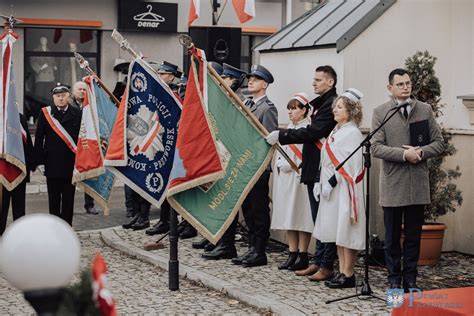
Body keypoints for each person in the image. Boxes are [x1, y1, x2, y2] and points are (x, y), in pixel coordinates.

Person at [371, 68, 444, 292]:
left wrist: (420, 152)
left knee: (413, 235)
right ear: (390, 88)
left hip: (417, 184)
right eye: (400, 84)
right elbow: (376, 147)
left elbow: (439, 143)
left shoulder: (425, 110)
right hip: (393, 183)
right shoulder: (381, 112)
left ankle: (410, 278)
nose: (405, 87)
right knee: (392, 237)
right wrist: (404, 154)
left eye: (408, 83)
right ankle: (393, 278)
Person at [266, 65, 338, 281]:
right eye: (314, 79)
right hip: (313, 167)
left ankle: (326, 264)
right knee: (318, 219)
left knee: (323, 219)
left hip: (321, 168)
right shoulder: (321, 104)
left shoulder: (330, 104)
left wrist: (283, 135)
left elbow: (315, 132)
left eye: (318, 80)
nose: (314, 83)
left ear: (330, 82)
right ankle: (318, 260)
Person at [313, 89, 366, 289]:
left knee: (347, 230)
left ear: (351, 111)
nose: (335, 110)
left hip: (345, 188)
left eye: (340, 107)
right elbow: (327, 159)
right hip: (332, 189)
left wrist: (331, 182)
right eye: (335, 106)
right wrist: (320, 181)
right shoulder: (337, 130)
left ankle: (348, 273)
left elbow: (349, 165)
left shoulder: (352, 133)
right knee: (338, 231)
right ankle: (342, 271)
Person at [231, 64, 278, 268]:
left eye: (256, 79)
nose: (250, 81)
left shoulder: (267, 108)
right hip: (244, 165)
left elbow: (267, 140)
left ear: (265, 84)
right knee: (247, 209)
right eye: (250, 78)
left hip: (257, 167)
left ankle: (259, 251)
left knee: (258, 210)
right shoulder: (248, 104)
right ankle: (251, 248)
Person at [202, 63, 247, 260]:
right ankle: (220, 241)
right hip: (221, 156)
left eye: (226, 78)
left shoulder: (240, 100)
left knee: (229, 201)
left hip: (234, 158)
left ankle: (227, 244)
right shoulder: (222, 100)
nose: (223, 81)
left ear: (234, 81)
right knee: (219, 201)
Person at [271, 93, 314, 271]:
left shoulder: (309, 128)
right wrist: (280, 163)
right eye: (289, 108)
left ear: (304, 110)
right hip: (286, 178)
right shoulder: (289, 127)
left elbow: (308, 153)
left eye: (294, 108)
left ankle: (303, 254)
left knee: (301, 215)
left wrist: (295, 164)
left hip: (300, 177)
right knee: (289, 215)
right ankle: (292, 252)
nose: (290, 112)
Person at [34, 82, 81, 226]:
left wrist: (80, 163)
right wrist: (39, 162)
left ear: (68, 96)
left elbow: (81, 139)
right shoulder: (45, 113)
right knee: (53, 198)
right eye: (57, 96)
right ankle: (55, 228)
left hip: (70, 163)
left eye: (63, 95)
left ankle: (67, 227)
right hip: (52, 163)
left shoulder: (77, 114)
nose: (60, 98)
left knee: (68, 199)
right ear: (53, 98)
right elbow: (39, 138)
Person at [0, 114, 34, 236]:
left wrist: (30, 166)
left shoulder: (19, 118)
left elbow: (27, 142)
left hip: (19, 170)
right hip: (1, 173)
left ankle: (19, 237)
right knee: (1, 209)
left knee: (19, 210)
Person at [70, 81, 99, 215]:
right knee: (70, 176)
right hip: (72, 145)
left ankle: (89, 205)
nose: (82, 91)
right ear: (74, 92)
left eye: (84, 89)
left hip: (87, 145)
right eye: (79, 89)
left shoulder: (91, 106)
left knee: (89, 174)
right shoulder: (69, 105)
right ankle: (68, 204)